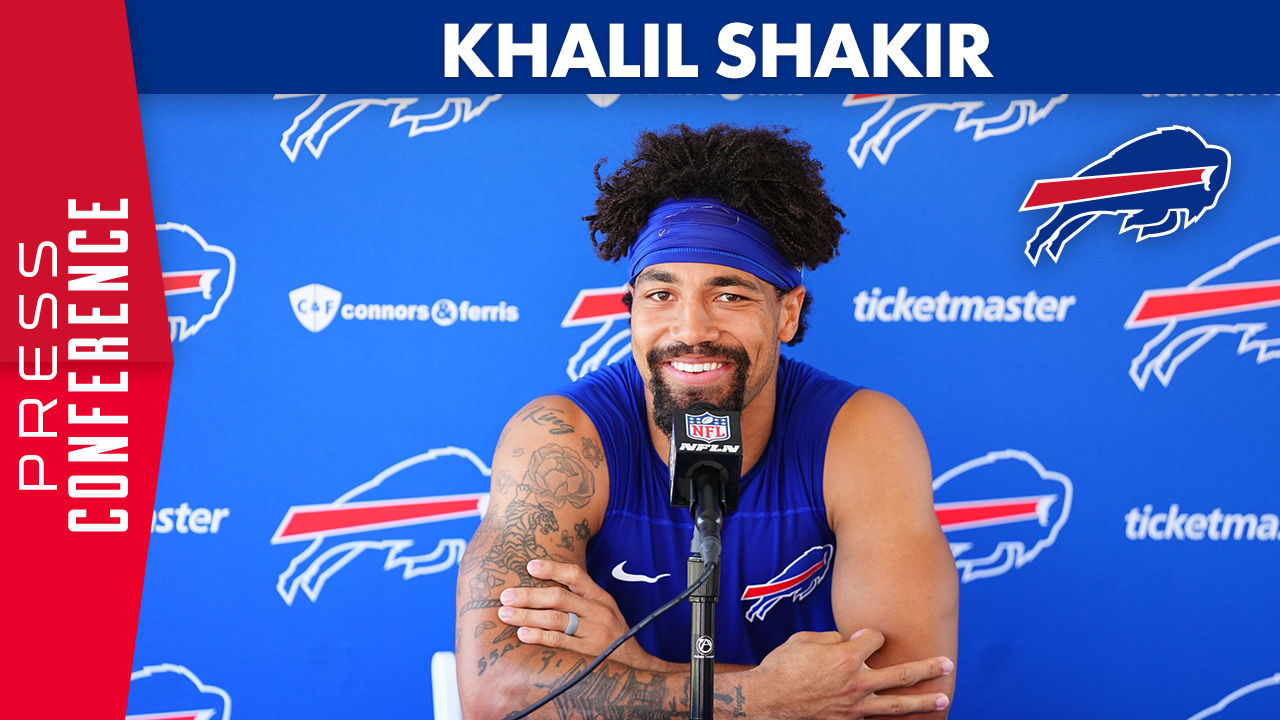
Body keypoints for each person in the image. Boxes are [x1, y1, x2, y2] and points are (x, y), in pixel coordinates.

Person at [455, 123, 958, 719]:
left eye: (730, 295)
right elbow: (496, 695)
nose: (690, 329)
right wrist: (768, 699)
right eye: (661, 295)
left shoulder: (859, 433)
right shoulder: (562, 437)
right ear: (633, 308)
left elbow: (906, 705)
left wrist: (631, 666)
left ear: (788, 313)